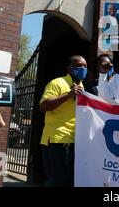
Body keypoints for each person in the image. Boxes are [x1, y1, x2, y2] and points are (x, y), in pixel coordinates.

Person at [39, 55, 87, 187]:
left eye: (85, 66)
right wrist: (68, 95)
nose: (83, 69)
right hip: (57, 139)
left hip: (74, 140)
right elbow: (43, 106)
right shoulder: (57, 83)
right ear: (69, 68)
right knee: (57, 181)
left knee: (69, 181)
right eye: (79, 66)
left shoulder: (82, 87)